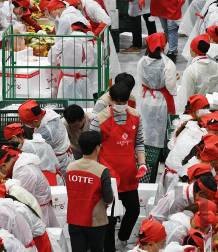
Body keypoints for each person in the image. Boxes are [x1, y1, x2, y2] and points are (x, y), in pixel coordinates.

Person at [90, 82, 146, 252]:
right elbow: (93, 148)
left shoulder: (136, 116)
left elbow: (139, 143)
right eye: (118, 103)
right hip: (108, 175)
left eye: (124, 103)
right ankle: (109, 249)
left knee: (134, 210)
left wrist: (142, 164)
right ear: (111, 100)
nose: (121, 106)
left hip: (129, 172)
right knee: (110, 217)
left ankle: (122, 239)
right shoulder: (99, 119)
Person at [66, 130, 114, 252]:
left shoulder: (70, 168)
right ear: (97, 148)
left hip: (74, 219)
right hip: (95, 221)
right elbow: (108, 198)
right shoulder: (102, 171)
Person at [0, 147, 58, 227]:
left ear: (3, 166)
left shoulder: (25, 174)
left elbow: (21, 201)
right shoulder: (20, 165)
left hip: (39, 214)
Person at [138, 33, 177, 148]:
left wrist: (144, 95)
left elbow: (140, 81)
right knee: (162, 129)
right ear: (164, 46)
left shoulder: (142, 61)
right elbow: (171, 87)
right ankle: (161, 152)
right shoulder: (168, 63)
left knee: (148, 128)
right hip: (162, 100)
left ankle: (149, 150)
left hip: (147, 98)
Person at [17, 98, 74, 177]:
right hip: (64, 153)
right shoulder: (47, 113)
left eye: (27, 123)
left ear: (35, 121)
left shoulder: (46, 132)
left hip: (59, 161)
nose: (27, 125)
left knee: (60, 184)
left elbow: (38, 151)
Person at [176, 34, 218, 112]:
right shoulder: (216, 66)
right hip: (212, 111)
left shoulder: (191, 70)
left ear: (194, 52)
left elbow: (185, 97)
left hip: (195, 113)